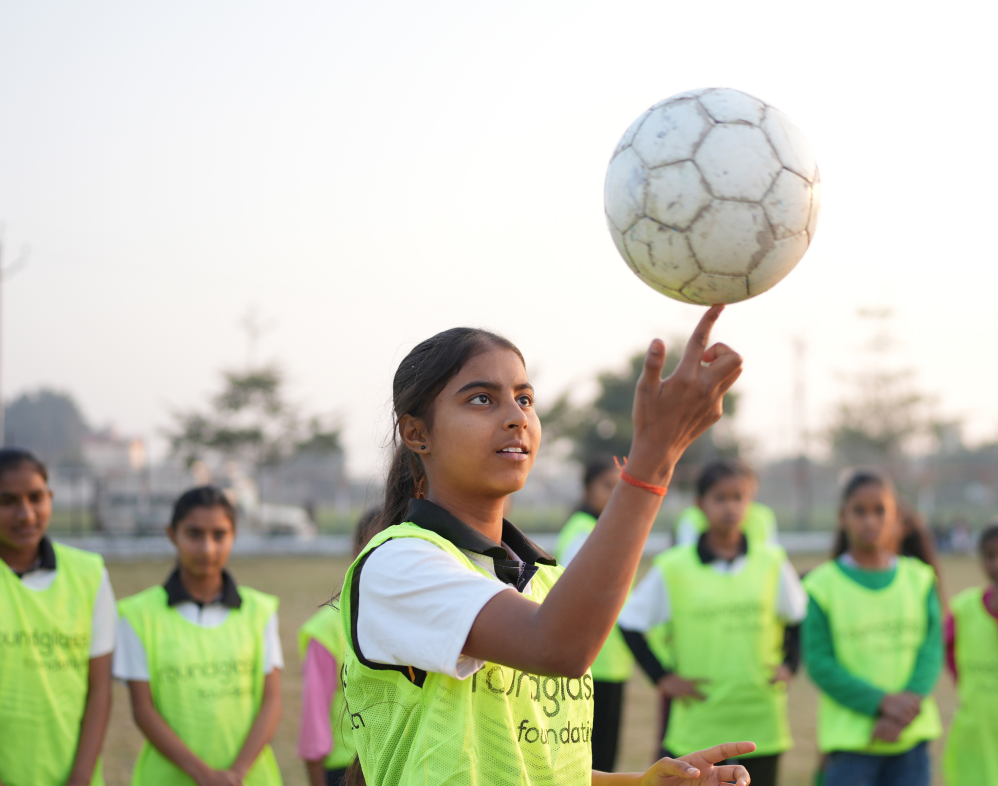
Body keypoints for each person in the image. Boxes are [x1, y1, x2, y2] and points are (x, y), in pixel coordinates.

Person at [339, 308, 756, 786]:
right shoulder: (398, 564)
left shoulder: (542, 581)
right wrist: (655, 460)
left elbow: (543, 768)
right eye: (481, 399)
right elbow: (557, 647)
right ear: (416, 433)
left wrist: (641, 784)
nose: (517, 417)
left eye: (525, 399)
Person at [617, 458, 806, 786]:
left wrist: (790, 664)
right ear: (700, 505)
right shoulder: (673, 567)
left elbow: (799, 617)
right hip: (698, 722)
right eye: (720, 498)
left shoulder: (771, 561)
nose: (730, 507)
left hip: (760, 718)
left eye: (738, 498)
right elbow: (629, 622)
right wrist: (662, 677)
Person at [114, 486, 284, 785]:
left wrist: (237, 773)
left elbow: (271, 702)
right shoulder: (137, 615)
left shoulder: (261, 611)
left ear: (234, 535)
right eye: (194, 534)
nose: (207, 548)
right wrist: (205, 776)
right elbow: (143, 710)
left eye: (219, 535)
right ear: (172, 534)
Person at [802, 470, 943, 786]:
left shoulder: (920, 579)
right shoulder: (821, 585)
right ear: (843, 516)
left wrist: (904, 708)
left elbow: (931, 651)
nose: (870, 521)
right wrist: (882, 703)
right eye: (859, 511)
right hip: (851, 744)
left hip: (910, 736)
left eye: (880, 510)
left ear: (896, 517)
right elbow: (820, 665)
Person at [0, 447, 116, 786]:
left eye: (36, 498)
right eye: (6, 501)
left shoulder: (90, 575)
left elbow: (99, 689)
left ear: (51, 497)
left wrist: (81, 778)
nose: (26, 514)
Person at [553, 458, 635, 772]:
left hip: (610, 657)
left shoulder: (602, 528)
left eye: (620, 487)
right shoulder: (583, 530)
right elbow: (578, 591)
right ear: (588, 489)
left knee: (606, 757)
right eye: (607, 486)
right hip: (591, 661)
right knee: (592, 762)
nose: (615, 494)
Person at [298, 506, 382, 786]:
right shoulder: (327, 627)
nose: (389, 557)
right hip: (346, 769)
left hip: (405, 763)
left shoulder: (424, 622)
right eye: (377, 544)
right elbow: (314, 717)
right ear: (356, 549)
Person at [942, 521, 998, 785]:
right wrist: (967, 684)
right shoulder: (964, 607)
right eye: (990, 556)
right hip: (976, 738)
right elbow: (948, 652)